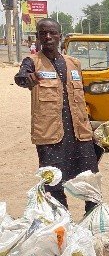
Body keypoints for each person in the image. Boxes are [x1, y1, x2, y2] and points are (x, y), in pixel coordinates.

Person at [14, 18, 100, 211]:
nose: (48, 37)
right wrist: (26, 79)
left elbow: (82, 97)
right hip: (50, 135)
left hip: (79, 133)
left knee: (90, 178)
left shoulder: (73, 63)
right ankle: (61, 219)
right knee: (53, 182)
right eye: (43, 33)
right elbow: (21, 77)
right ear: (37, 37)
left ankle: (92, 216)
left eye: (52, 33)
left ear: (60, 36)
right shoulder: (32, 62)